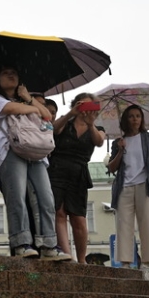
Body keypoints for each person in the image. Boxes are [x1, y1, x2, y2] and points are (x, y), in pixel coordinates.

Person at [0, 66, 70, 261]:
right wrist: (33, 107)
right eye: (5, 72)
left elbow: (47, 116)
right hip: (11, 150)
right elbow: (11, 109)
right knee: (17, 198)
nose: (11, 75)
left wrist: (29, 98)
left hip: (36, 152)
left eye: (14, 72)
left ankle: (49, 245)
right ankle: (21, 242)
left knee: (46, 198)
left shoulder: (26, 98)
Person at [107, 104, 149, 269]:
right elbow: (111, 168)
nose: (135, 119)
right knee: (124, 224)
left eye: (138, 116)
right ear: (126, 119)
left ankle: (146, 262)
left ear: (142, 119)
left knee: (148, 223)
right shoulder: (119, 141)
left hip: (145, 185)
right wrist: (120, 150)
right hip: (124, 186)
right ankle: (125, 262)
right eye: (131, 116)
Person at [49, 93, 105, 263]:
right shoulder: (66, 121)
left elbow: (99, 141)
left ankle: (82, 260)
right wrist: (70, 114)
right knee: (59, 212)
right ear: (75, 105)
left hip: (78, 172)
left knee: (78, 217)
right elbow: (54, 129)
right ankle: (67, 255)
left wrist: (91, 124)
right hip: (57, 168)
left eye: (90, 106)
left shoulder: (96, 127)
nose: (85, 110)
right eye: (82, 105)